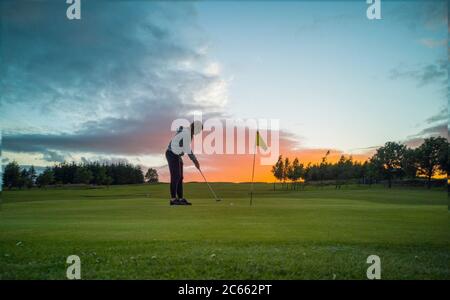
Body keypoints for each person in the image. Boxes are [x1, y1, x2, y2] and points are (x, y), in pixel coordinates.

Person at [166, 121, 203, 205]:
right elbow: (187, 149)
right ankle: (173, 199)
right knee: (176, 176)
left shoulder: (189, 134)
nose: (199, 132)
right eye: (199, 130)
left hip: (177, 155)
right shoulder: (187, 133)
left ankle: (180, 198)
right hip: (171, 153)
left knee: (180, 177)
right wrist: (195, 160)